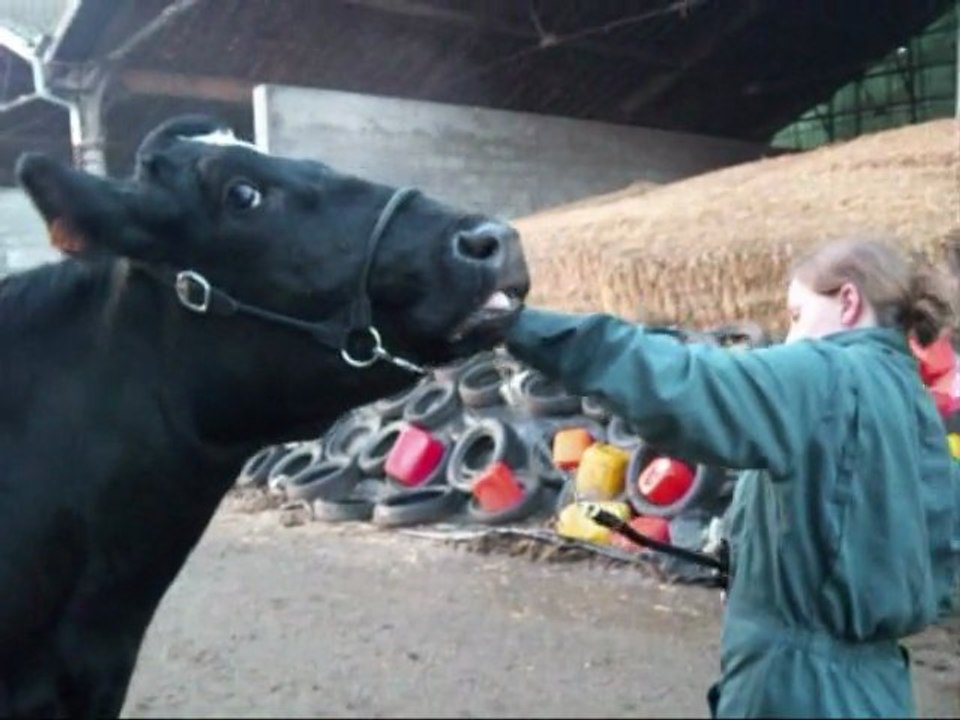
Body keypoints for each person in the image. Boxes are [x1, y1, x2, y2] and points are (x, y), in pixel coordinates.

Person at [504, 236, 960, 718]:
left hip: (795, 694)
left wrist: (517, 326)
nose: (789, 340)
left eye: (797, 316)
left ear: (848, 301)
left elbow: (684, 384)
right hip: (880, 691)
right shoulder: (916, 411)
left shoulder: (827, 374)